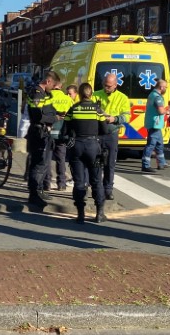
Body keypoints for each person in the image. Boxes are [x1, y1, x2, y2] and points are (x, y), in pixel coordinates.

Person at [63, 83, 109, 223]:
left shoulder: (74, 109)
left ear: (80, 94)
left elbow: (65, 130)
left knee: (79, 181)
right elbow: (105, 130)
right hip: (93, 147)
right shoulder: (97, 110)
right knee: (96, 181)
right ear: (91, 94)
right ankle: (99, 213)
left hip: (77, 146)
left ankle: (80, 214)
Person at [25, 71, 61, 208]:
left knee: (43, 163)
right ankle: (33, 194)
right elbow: (37, 116)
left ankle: (38, 190)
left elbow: (48, 110)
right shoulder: (37, 93)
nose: (53, 88)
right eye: (53, 85)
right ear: (48, 81)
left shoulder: (44, 93)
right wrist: (55, 118)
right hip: (38, 132)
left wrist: (56, 114)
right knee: (38, 164)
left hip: (43, 132)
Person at [93, 72, 129, 200]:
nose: (106, 88)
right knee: (95, 162)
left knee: (110, 163)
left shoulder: (122, 98)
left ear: (115, 85)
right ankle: (96, 188)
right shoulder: (96, 94)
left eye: (108, 86)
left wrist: (115, 119)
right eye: (104, 85)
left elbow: (127, 116)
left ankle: (108, 189)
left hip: (111, 134)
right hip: (97, 133)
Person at [45, 85, 75, 191]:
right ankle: (61, 184)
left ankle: (46, 183)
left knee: (47, 158)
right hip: (62, 133)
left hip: (49, 132)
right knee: (61, 159)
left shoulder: (47, 97)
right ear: (61, 87)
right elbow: (72, 116)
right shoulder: (68, 99)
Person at [142, 78, 170, 173]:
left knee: (159, 144)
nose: (166, 89)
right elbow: (160, 111)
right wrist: (166, 111)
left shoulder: (152, 94)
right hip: (155, 124)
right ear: (161, 87)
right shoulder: (157, 97)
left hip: (154, 123)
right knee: (151, 145)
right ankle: (145, 165)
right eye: (165, 87)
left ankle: (161, 163)